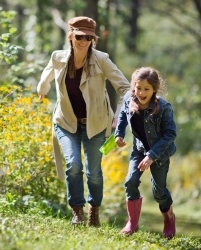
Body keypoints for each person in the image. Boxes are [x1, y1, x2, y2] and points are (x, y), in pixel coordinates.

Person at [37, 16, 130, 227]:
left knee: (94, 173)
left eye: (89, 37)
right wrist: (42, 89)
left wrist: (119, 114)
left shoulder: (102, 60)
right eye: (80, 36)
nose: (84, 41)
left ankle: (93, 210)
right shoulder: (58, 57)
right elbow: (46, 75)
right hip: (66, 121)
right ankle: (77, 211)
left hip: (96, 124)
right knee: (73, 165)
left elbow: (125, 88)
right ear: (71, 36)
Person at [114, 67, 177, 238]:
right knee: (130, 182)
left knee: (159, 191)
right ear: (133, 86)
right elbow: (122, 116)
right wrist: (119, 134)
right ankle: (132, 223)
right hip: (140, 149)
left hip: (160, 153)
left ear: (154, 89)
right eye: (138, 87)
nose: (141, 92)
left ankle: (169, 218)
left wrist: (152, 156)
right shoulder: (129, 99)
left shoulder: (163, 107)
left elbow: (170, 133)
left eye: (146, 89)